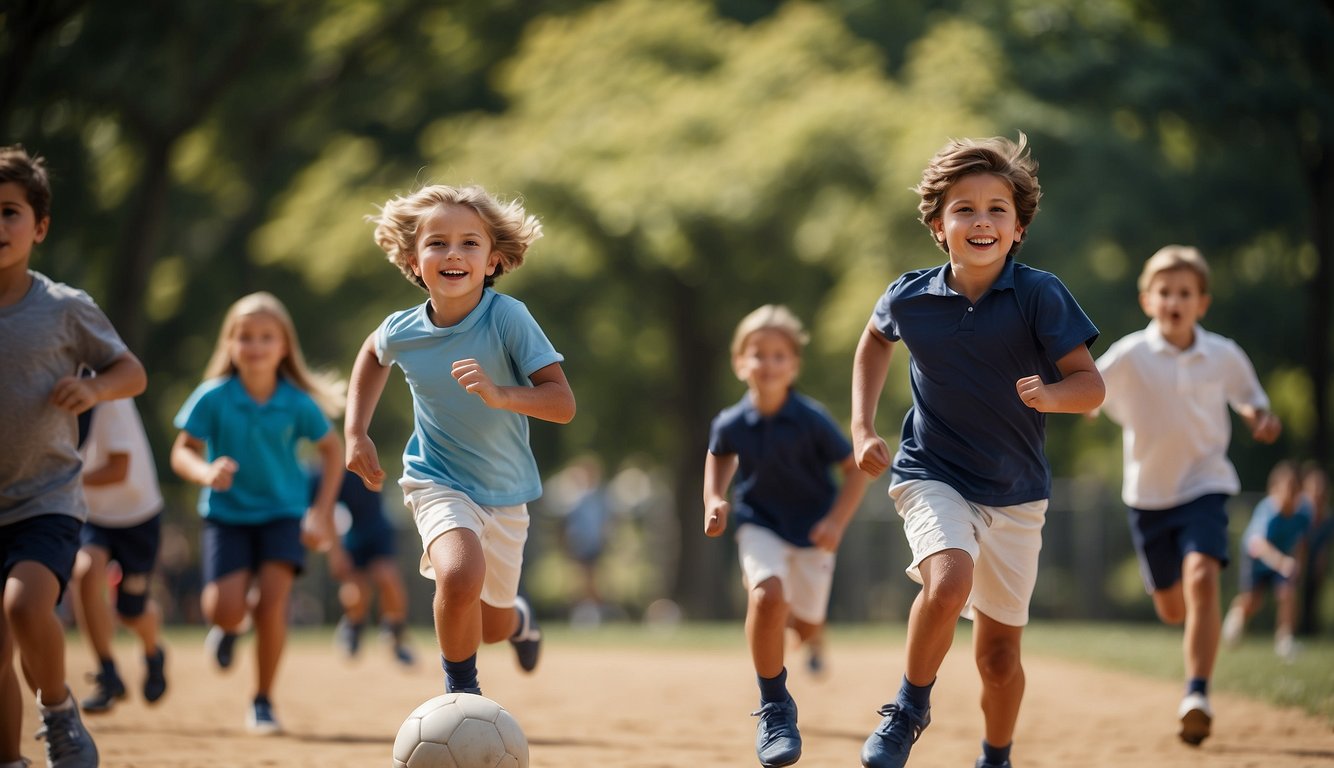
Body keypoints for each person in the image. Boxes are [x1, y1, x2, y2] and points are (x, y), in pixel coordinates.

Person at [851, 135, 1103, 768]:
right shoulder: (910, 296)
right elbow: (874, 342)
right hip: (932, 471)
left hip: (1017, 493)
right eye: (964, 209)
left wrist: (1051, 395)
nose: (982, 220)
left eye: (997, 209)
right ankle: (908, 708)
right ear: (939, 226)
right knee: (949, 578)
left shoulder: (1041, 294)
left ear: (1018, 227)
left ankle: (996, 756)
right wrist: (861, 426)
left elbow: (1091, 386)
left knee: (998, 660)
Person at [344, 184, 575, 697]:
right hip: (436, 478)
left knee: (490, 627)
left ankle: (518, 622)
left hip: (506, 491)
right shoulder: (401, 329)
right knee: (458, 573)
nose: (453, 253)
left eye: (470, 243)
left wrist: (501, 394)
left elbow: (562, 404)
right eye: (438, 243)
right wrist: (355, 431)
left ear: (493, 259)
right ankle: (460, 695)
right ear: (413, 259)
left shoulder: (509, 318)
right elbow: (371, 355)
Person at [1094, 244, 1280, 745]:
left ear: (1202, 302)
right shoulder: (1131, 353)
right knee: (1173, 609)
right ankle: (1185, 637)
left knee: (1202, 576)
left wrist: (1260, 417)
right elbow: (1090, 389)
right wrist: (1071, 403)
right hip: (1148, 495)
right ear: (1146, 300)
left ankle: (1196, 692)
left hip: (1206, 483)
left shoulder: (1222, 354)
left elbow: (1251, 399)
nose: (1174, 301)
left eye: (1185, 293)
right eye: (1165, 292)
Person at [2, 144, 148, 768]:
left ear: (39, 226)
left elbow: (131, 371)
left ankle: (59, 710)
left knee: (24, 605)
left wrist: (93, 387)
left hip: (45, 500)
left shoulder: (63, 308)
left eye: (8, 212)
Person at [169, 291, 344, 735]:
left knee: (272, 605)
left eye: (267, 337)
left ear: (284, 346)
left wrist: (321, 513)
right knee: (223, 609)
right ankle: (228, 628)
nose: (256, 345)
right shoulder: (212, 397)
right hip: (227, 515)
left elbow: (331, 450)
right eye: (245, 336)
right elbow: (181, 452)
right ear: (229, 344)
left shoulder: (297, 402)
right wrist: (206, 471)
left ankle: (262, 700)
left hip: (283, 514)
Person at [704, 304, 870, 768]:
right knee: (767, 596)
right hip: (760, 524)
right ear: (741, 363)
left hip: (813, 533)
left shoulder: (811, 419)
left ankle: (815, 638)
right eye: (758, 354)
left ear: (794, 365)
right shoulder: (731, 422)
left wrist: (836, 521)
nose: (768, 363)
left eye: (779, 355)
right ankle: (775, 704)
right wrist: (714, 499)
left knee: (804, 622)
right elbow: (718, 455)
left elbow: (853, 469)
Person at [70, 395, 169, 714]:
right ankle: (108, 673)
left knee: (131, 612)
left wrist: (60, 480)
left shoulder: (109, 394)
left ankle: (153, 653)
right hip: (92, 513)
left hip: (138, 516)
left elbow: (118, 469)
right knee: (85, 572)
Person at [312, 467, 414, 666]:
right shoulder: (322, 474)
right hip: (350, 537)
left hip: (377, 531)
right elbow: (325, 513)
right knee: (356, 593)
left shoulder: (364, 459)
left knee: (387, 577)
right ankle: (353, 625)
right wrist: (335, 553)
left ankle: (395, 632)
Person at [1222, 461, 1312, 660]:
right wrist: (1282, 562)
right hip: (1257, 559)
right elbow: (1257, 545)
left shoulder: (1304, 514)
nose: (1291, 493)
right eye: (1287, 487)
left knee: (1287, 593)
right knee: (1253, 601)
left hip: (1281, 561)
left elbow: (1302, 544)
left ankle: (1284, 640)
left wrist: (1298, 567)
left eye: (1295, 488)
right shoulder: (1268, 511)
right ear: (1275, 489)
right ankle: (1236, 615)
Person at [1297, 462, 1330, 636]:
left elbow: (1323, 547)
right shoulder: (1299, 511)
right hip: (1295, 558)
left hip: (1312, 560)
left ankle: (1309, 626)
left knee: (1312, 593)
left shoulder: (1326, 517)